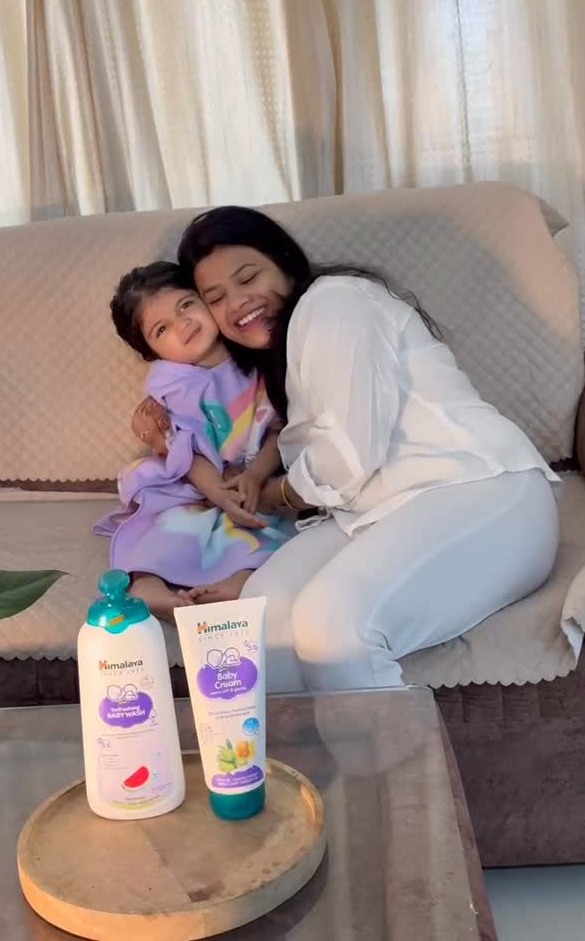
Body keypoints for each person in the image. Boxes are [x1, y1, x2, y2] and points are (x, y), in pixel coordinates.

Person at [132, 209, 560, 691]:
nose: (237, 304)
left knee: (331, 623)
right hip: (376, 510)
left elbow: (347, 459)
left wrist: (273, 495)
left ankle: (394, 747)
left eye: (248, 278)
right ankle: (300, 744)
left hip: (479, 486)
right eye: (215, 298)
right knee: (263, 611)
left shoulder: (335, 302)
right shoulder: (284, 352)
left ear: (284, 262)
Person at [96, 260, 294, 621]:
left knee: (267, 527)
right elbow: (186, 450)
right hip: (193, 483)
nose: (183, 324)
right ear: (151, 352)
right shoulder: (172, 385)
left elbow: (279, 430)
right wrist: (220, 495)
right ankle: (148, 585)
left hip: (259, 477)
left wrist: (254, 476)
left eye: (186, 305)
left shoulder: (256, 354)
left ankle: (239, 582)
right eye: (161, 329)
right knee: (169, 527)